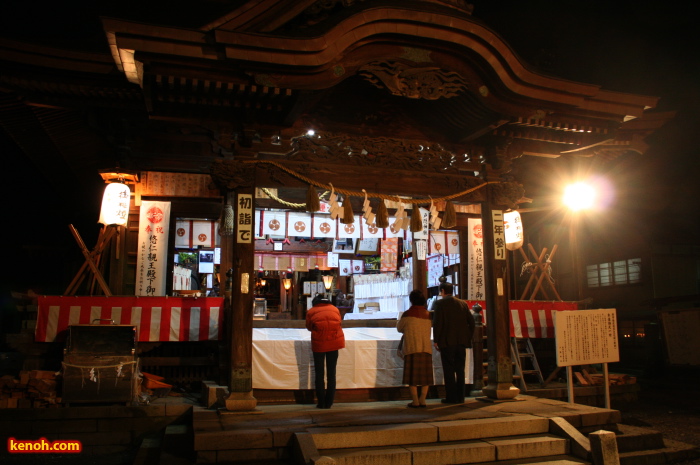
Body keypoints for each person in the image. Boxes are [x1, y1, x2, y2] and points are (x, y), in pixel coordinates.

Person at [432, 282, 475, 404]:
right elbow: (471, 323)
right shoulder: (463, 303)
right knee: (460, 370)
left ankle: (451, 397)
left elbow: (437, 323)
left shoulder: (440, 303)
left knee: (449, 370)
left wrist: (436, 340)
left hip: (447, 341)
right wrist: (467, 337)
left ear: (443, 291)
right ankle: (461, 397)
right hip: (461, 342)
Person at [306, 294, 346, 409]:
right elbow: (339, 323)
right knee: (331, 373)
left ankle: (321, 403)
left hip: (319, 344)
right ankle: (329, 403)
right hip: (334, 343)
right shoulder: (335, 309)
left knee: (319, 374)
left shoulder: (311, 311)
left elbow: (309, 327)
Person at [397, 289, 433, 408]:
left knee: (412, 377)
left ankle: (415, 401)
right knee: (425, 377)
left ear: (411, 300)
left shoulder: (407, 314)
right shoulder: (428, 315)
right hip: (426, 348)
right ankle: (423, 399)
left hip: (412, 348)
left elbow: (399, 328)